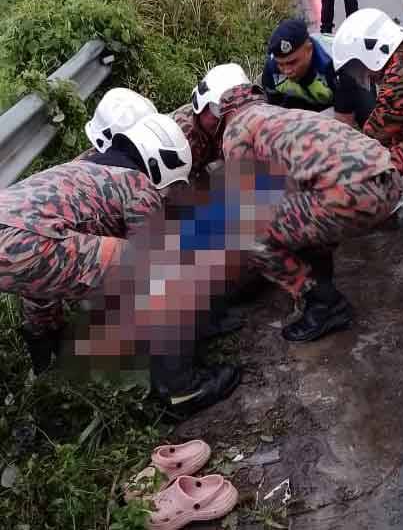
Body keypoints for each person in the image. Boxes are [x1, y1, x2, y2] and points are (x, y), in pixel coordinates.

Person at [0, 112, 239, 414]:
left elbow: (35, 271)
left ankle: (49, 365)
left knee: (39, 276)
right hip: (31, 239)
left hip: (13, 234)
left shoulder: (85, 167)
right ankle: (181, 389)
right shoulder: (138, 184)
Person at [188, 64, 403, 342]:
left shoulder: (236, 129)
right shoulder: (275, 113)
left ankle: (323, 303)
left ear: (217, 108)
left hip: (353, 192)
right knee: (296, 212)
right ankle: (322, 287)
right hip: (389, 181)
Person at [331, 8, 403, 231]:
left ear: (371, 52)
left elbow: (377, 137)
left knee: (392, 157)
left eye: (358, 66)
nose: (362, 74)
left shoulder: (398, 77)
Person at [261, 18, 374, 126]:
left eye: (292, 62)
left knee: (368, 117)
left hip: (350, 91)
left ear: (309, 49)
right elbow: (275, 111)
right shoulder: (271, 70)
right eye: (281, 64)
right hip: (310, 101)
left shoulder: (337, 63)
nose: (287, 71)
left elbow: (343, 122)